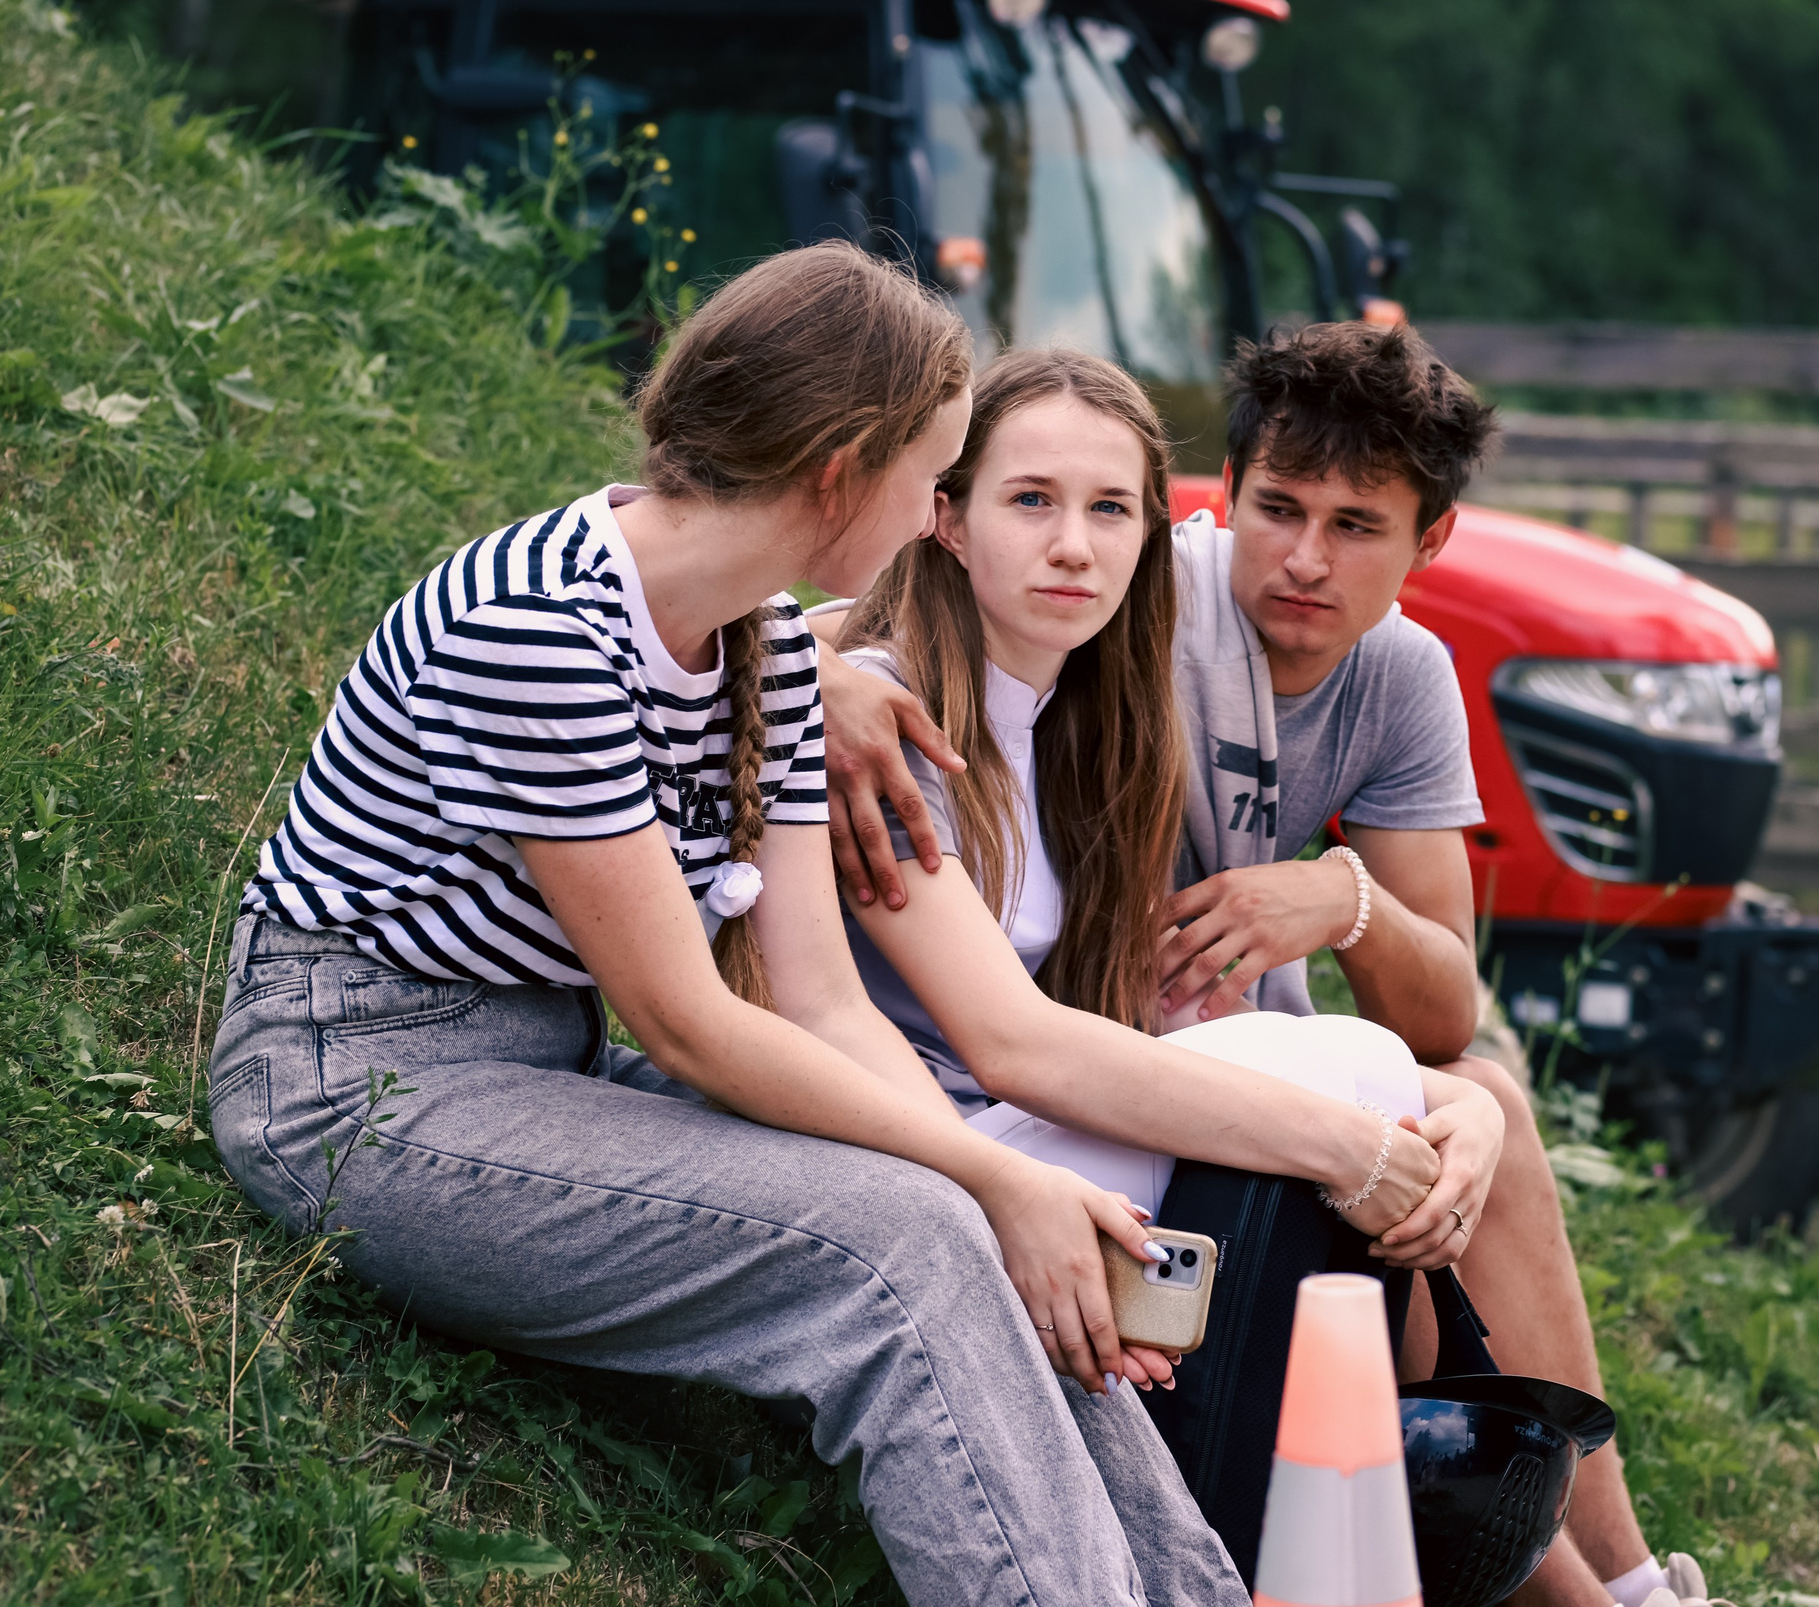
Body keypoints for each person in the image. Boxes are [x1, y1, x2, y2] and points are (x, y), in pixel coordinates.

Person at [206, 243, 1249, 1607]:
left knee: (957, 1208)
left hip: (545, 1063)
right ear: (841, 473)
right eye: (930, 478)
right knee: (907, 1242)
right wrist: (990, 1181)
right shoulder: (537, 628)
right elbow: (689, 1023)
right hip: (358, 1086)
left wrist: (1002, 1188)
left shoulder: (765, 644)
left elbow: (820, 1001)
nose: (932, 515)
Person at [823, 319, 1708, 1607]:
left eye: (1356, 526)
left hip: (1125, 1065)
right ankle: (1584, 1597)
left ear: (1430, 541)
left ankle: (1620, 1588)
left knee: (1457, 1109)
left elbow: (1446, 1004)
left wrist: (1343, 899)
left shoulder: (1269, 674)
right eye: (1278, 509)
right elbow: (845, 597)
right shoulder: (1117, 605)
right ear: (1220, 500)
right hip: (1014, 1099)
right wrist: (810, 670)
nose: (1302, 558)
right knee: (1384, 1101)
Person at [800, 347, 1502, 1377]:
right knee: (1345, 1072)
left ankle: (1426, 1455)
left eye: (1110, 511)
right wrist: (1353, 1141)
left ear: (1151, 540)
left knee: (1382, 1084)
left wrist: (1466, 1102)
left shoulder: (1085, 731)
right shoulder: (893, 722)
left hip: (1013, 1134)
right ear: (946, 517)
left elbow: (1131, 1018)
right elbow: (1015, 1046)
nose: (1072, 547)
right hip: (921, 1159)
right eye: (1031, 500)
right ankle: (1365, 1444)